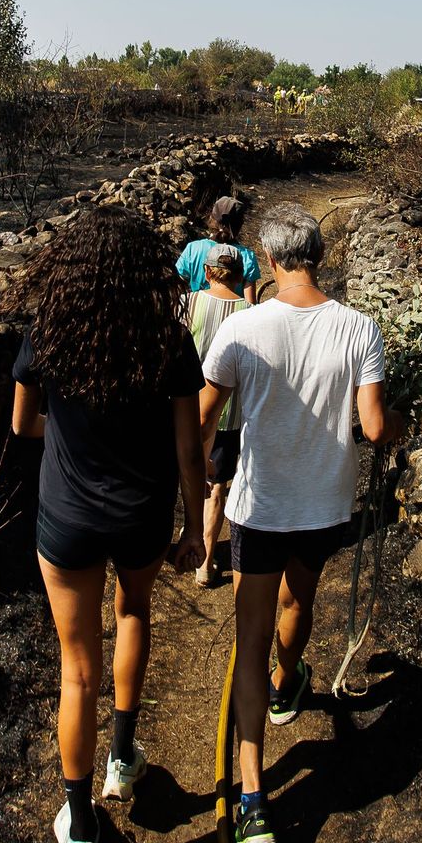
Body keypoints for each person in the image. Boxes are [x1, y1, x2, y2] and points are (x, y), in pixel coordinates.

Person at [9, 205, 208, 843]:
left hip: (66, 517)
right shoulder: (167, 340)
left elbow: (22, 425)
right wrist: (195, 527)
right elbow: (189, 449)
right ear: (144, 270)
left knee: (75, 670)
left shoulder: (50, 332)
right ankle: (123, 758)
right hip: (141, 515)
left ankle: (81, 827)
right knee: (133, 613)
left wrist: (66, 434)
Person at [199, 204, 402, 843]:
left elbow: (204, 419)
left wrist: (194, 483)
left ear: (275, 258)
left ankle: (254, 801)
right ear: (316, 254)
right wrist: (402, 421)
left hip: (258, 508)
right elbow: (373, 428)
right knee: (299, 602)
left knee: (248, 637)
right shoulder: (359, 328)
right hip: (324, 505)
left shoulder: (243, 329)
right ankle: (292, 682)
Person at [181, 243, 250, 587]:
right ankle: (204, 562)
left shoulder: (189, 303)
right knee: (218, 484)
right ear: (239, 277)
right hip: (229, 413)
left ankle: (181, 539)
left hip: (186, 408)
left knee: (181, 469)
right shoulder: (250, 311)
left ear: (207, 272)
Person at [176, 195, 261, 304]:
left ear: (212, 219)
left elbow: (179, 288)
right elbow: (250, 304)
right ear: (239, 225)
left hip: (197, 314)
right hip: (232, 318)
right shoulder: (247, 256)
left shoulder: (193, 249)